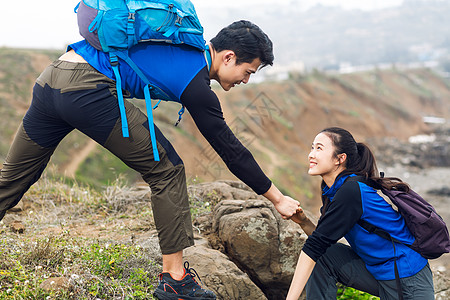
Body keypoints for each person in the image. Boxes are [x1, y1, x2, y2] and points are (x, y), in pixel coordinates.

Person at [0, 20, 300, 299]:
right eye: (248, 71)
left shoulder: (185, 46)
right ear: (229, 57)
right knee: (167, 170)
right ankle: (176, 280)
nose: (246, 81)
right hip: (85, 89)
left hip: (53, 76)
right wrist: (277, 198)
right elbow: (231, 150)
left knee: (12, 178)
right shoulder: (196, 84)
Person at [286, 127, 434, 300]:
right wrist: (304, 222)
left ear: (340, 159)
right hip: (377, 272)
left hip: (407, 278)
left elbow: (314, 246)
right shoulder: (333, 190)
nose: (311, 154)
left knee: (316, 253)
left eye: (319, 148)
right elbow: (321, 241)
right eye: (312, 147)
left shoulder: (351, 191)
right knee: (324, 257)